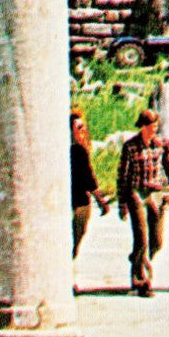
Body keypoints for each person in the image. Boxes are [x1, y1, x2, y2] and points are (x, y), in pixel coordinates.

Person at [116, 108, 169, 296]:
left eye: (156, 126)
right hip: (136, 192)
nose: (153, 130)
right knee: (141, 236)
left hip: (155, 191)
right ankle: (141, 280)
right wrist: (122, 203)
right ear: (142, 127)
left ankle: (138, 257)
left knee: (156, 240)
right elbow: (123, 175)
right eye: (150, 126)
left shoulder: (162, 144)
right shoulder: (130, 146)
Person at [69, 111, 110, 261]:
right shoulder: (78, 150)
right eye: (79, 127)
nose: (83, 130)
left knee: (71, 242)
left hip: (76, 201)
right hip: (79, 203)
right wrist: (101, 200)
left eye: (84, 127)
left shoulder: (70, 149)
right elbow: (89, 179)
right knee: (74, 242)